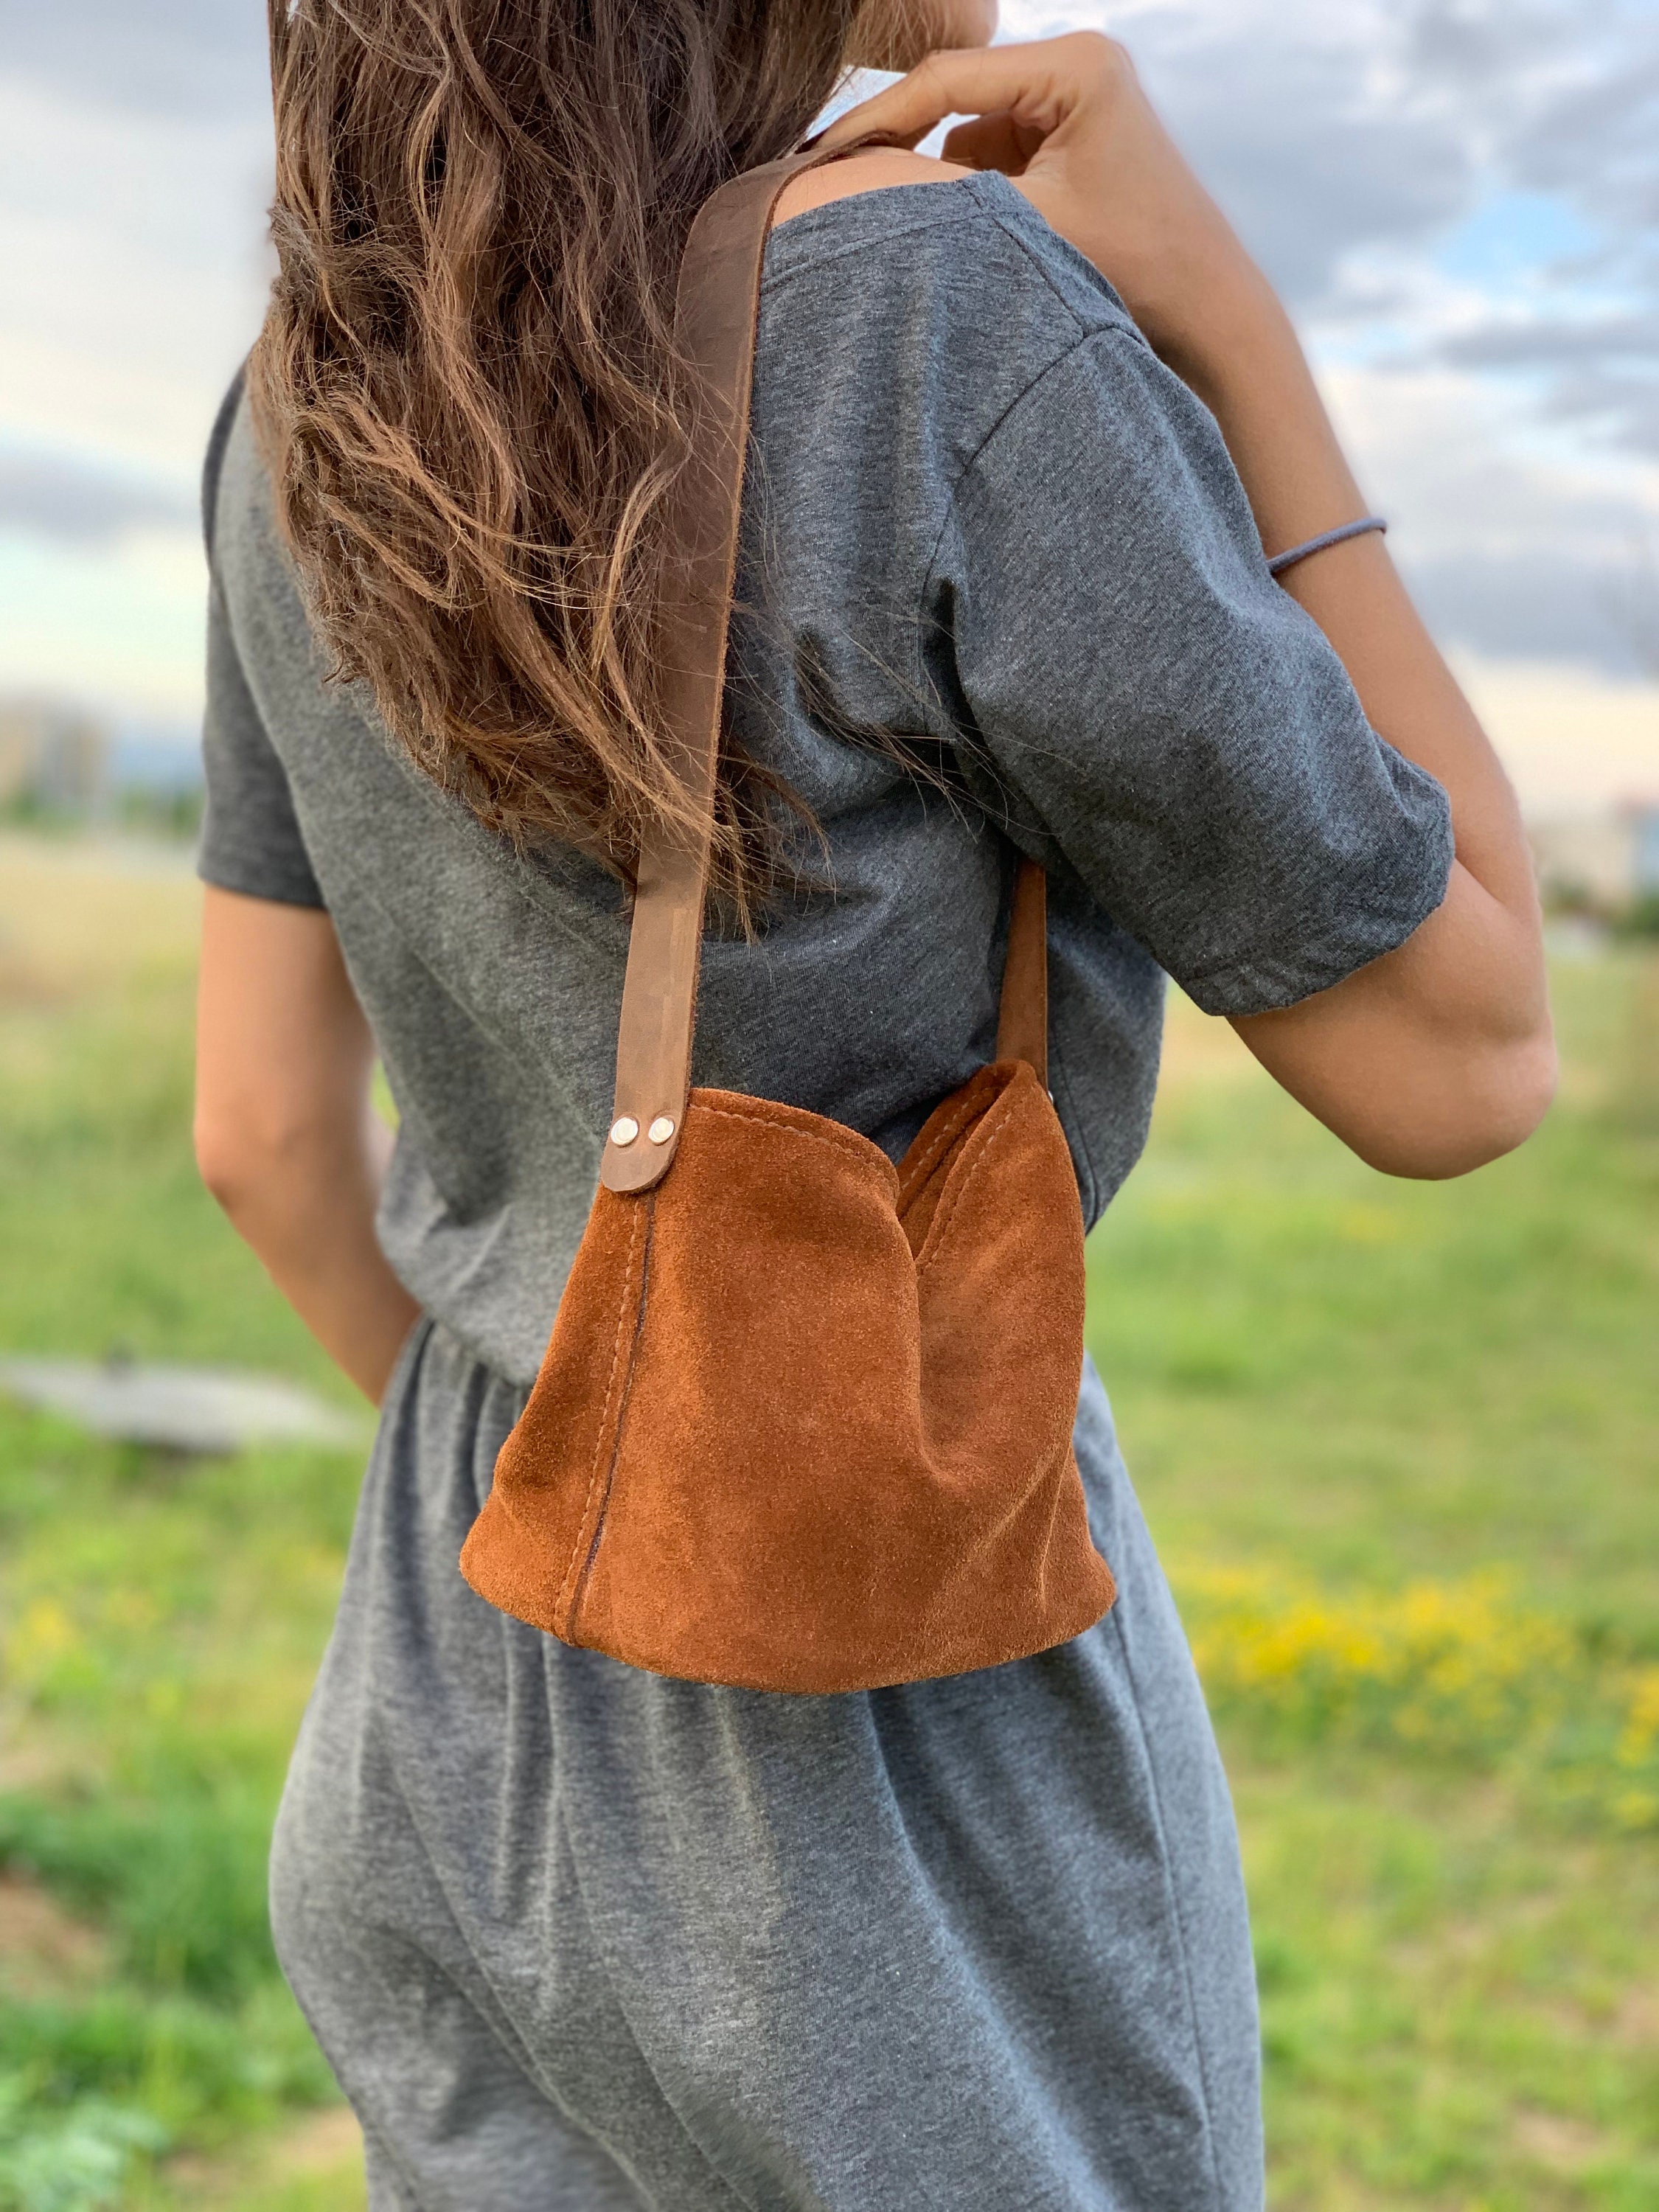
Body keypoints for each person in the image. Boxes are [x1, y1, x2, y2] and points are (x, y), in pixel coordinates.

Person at [192, 3, 1554, 2205]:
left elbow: (256, 1134)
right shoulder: (926, 311)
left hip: (438, 1712)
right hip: (889, 1795)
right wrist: (1225, 324)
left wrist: (605, 1470)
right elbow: (1463, 1055)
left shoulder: (295, 412)